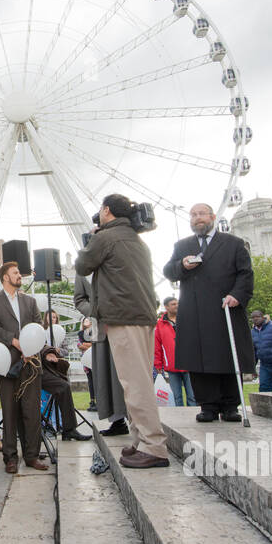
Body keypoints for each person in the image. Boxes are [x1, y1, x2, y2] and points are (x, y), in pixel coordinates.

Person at [75, 195, 170, 468]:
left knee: (135, 383)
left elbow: (82, 266)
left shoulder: (106, 237)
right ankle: (141, 440)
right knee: (135, 381)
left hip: (124, 316)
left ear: (106, 210)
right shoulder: (136, 239)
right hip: (141, 314)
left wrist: (93, 238)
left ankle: (154, 446)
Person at [162, 203, 255, 423]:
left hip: (225, 308)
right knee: (199, 360)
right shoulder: (182, 245)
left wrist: (237, 295)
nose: (197, 218)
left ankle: (231, 405)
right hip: (194, 311)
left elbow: (245, 273)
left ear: (213, 217)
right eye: (193, 214)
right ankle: (208, 405)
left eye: (201, 214)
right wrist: (182, 265)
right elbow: (169, 271)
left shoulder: (233, 243)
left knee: (228, 357)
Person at [0, 261, 48, 473]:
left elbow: (39, 326)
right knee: (10, 413)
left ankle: (31, 455)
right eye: (15, 273)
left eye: (19, 273)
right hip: (7, 363)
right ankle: (10, 457)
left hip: (31, 363)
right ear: (5, 277)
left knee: (32, 411)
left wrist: (31, 346)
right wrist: (14, 341)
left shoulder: (30, 302)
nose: (19, 275)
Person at [74, 270, 128, 435]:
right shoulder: (82, 272)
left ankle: (136, 417)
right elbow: (79, 299)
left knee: (126, 375)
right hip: (100, 329)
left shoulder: (115, 261)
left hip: (123, 324)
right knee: (105, 376)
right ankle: (117, 421)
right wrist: (94, 310)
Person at [43, 310, 89, 440]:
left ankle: (68, 429)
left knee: (64, 386)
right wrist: (48, 350)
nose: (52, 319)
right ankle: (46, 425)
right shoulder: (40, 330)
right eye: (50, 317)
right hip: (42, 368)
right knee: (46, 399)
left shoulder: (60, 332)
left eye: (54, 317)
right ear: (45, 318)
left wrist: (57, 351)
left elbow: (65, 350)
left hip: (58, 368)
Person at [154, 297, 196, 407]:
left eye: (177, 303)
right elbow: (157, 346)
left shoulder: (186, 319)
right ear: (166, 307)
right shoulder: (160, 324)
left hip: (189, 363)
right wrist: (158, 363)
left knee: (192, 396)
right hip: (172, 365)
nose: (177, 305)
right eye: (173, 304)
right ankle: (180, 420)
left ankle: (193, 418)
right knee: (177, 397)